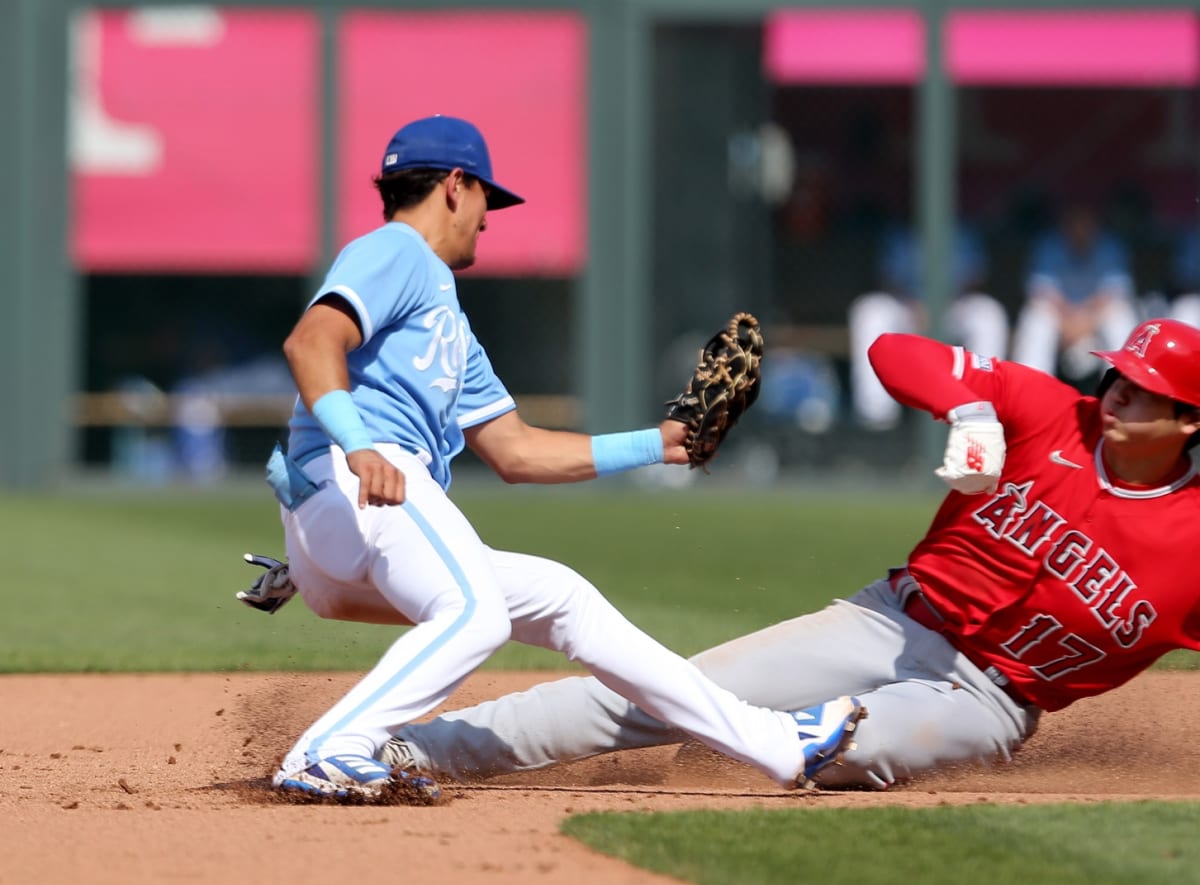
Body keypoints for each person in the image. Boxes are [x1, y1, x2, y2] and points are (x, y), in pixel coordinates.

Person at [253, 114, 864, 801]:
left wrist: (660, 445)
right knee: (475, 613)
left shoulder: (449, 325)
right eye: (487, 197)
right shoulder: (397, 251)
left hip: (351, 519)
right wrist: (359, 446)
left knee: (565, 599)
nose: (488, 219)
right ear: (456, 185)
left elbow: (516, 450)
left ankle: (779, 745)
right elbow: (310, 342)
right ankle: (330, 748)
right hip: (360, 482)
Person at [378, 318, 1200, 791]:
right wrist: (972, 408)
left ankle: (745, 758)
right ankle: (404, 751)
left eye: (1141, 388)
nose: (1116, 392)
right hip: (886, 623)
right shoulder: (1053, 412)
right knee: (652, 693)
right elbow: (893, 351)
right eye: (1117, 376)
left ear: (1189, 419)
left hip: (985, 701)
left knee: (838, 746)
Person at [848, 219, 1008, 429]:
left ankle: (981, 411)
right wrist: (915, 304)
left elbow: (976, 279)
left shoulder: (964, 234)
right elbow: (886, 279)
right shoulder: (898, 236)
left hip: (953, 307)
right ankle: (877, 416)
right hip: (907, 309)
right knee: (871, 310)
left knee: (988, 314)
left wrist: (940, 304)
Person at [1011, 201, 1138, 380]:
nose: (1080, 227)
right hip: (1060, 317)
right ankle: (1031, 388)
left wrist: (1084, 323)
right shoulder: (1050, 244)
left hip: (1095, 317)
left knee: (1120, 315)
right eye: (1075, 221)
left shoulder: (1110, 245)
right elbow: (1041, 290)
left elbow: (1114, 292)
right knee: (1036, 317)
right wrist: (1069, 322)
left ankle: (1120, 387)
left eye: (1085, 221)